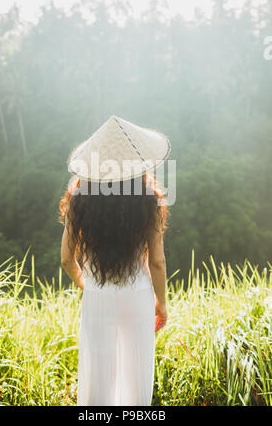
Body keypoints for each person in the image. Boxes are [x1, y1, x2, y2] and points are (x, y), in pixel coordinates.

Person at [59, 115, 170, 406]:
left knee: (98, 375)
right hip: (138, 297)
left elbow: (66, 259)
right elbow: (157, 261)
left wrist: (88, 287)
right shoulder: (148, 201)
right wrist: (162, 303)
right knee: (136, 374)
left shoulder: (79, 200)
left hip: (98, 296)